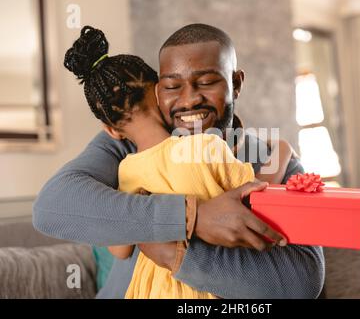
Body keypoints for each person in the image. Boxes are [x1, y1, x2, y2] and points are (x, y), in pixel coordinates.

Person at [33, 23, 325, 298]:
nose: (189, 101)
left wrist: (173, 253)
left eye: (208, 82)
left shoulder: (268, 161)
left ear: (235, 83)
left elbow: (302, 280)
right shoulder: (127, 144)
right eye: (172, 86)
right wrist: (192, 217)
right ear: (158, 92)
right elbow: (51, 207)